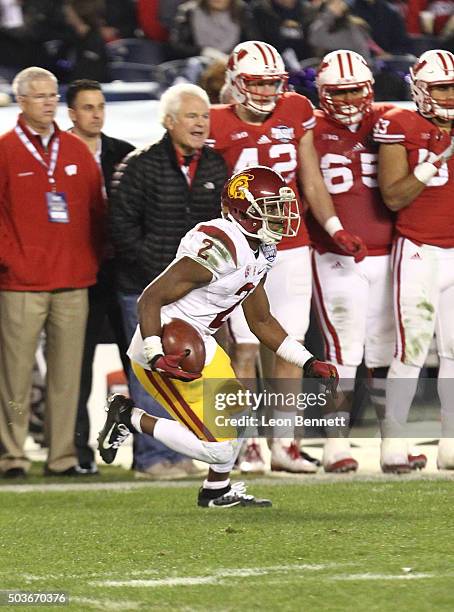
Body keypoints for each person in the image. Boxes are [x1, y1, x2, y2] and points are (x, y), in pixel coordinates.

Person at [98, 166, 339, 507]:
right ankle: (128, 415)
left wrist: (309, 361)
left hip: (200, 342)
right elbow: (150, 297)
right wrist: (155, 353)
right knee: (217, 447)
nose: (280, 215)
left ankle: (217, 490)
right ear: (244, 212)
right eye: (270, 207)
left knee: (241, 417)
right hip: (169, 345)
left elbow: (261, 320)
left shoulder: (260, 249)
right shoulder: (223, 244)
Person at [208, 40, 367, 473]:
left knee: (290, 346)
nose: (264, 92)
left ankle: (284, 443)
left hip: (291, 243)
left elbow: (311, 178)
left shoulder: (295, 110)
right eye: (256, 83)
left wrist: (333, 227)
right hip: (239, 247)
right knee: (241, 345)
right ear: (237, 83)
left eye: (272, 83)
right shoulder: (214, 122)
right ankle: (247, 442)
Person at [109, 83, 228, 479]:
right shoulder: (138, 164)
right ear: (168, 120)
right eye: (191, 116)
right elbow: (120, 226)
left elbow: (223, 228)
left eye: (205, 116)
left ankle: (181, 455)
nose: (200, 123)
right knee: (150, 371)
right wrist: (157, 275)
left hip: (193, 297)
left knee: (186, 374)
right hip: (145, 290)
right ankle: (150, 460)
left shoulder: (215, 165)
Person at [0, 66, 105, 478]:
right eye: (40, 96)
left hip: (73, 280)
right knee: (15, 375)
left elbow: (98, 212)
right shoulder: (5, 150)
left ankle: (61, 457)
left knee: (67, 376)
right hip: (20, 282)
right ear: (20, 101)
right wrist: (10, 259)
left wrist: (91, 259)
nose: (49, 103)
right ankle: (12, 456)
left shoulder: (77, 150)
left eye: (53, 96)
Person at [308, 50, 398, 472]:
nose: (346, 100)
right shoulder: (308, 125)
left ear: (370, 90)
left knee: (384, 352)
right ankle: (335, 444)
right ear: (323, 93)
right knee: (342, 352)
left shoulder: (390, 121)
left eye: (354, 91)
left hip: (390, 253)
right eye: (338, 93)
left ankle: (390, 444)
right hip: (333, 255)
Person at [374, 49, 454, 471]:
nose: (449, 95)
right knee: (412, 349)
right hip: (420, 249)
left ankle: (450, 445)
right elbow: (393, 196)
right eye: (442, 86)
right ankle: (393, 444)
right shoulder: (400, 123)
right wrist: (438, 158)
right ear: (421, 89)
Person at [66, 78, 134, 474]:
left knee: (138, 364)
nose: (96, 114)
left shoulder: (124, 154)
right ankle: (78, 452)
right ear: (72, 113)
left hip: (122, 273)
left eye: (100, 106)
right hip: (81, 275)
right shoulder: (59, 154)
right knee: (77, 367)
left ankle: (152, 452)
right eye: (88, 107)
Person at [168, 0, 257, 61]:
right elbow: (178, 46)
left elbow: (252, 44)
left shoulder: (242, 11)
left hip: (236, 64)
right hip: (198, 64)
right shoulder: (189, 12)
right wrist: (202, 52)